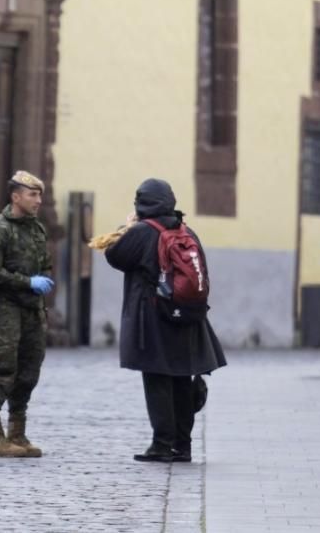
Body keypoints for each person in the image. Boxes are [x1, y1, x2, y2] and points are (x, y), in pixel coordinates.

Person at [104, 178, 226, 463]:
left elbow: (115, 256)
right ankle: (183, 446)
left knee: (157, 377)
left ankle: (161, 444)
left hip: (154, 316)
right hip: (187, 315)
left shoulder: (144, 231)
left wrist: (127, 227)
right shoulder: (186, 230)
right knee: (182, 378)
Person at [0, 170, 54, 458]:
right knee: (2, 368)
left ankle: (17, 432)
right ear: (15, 196)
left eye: (39, 195)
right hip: (5, 307)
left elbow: (45, 262)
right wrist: (26, 282)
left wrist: (42, 280)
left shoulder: (36, 229)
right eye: (32, 194)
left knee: (29, 369)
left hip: (32, 308)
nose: (38, 200)